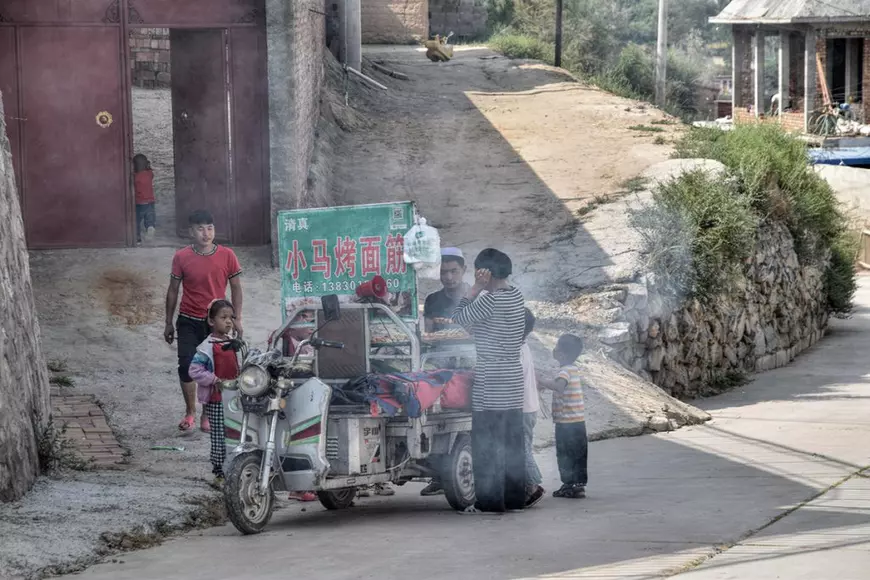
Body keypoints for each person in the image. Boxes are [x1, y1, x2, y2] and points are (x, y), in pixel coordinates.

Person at [452, 248, 526, 514]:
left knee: (487, 445)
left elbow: (458, 318)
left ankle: (490, 501)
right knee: (512, 444)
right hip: (513, 380)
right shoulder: (517, 296)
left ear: (485, 273)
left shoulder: (489, 300)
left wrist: (473, 290)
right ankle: (517, 498)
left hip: (491, 381)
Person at [164, 210, 243, 432]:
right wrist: (168, 322)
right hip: (188, 319)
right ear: (191, 232)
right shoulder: (181, 257)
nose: (205, 233)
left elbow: (236, 288)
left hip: (216, 321)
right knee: (187, 366)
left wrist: (236, 318)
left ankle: (206, 415)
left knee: (212, 367)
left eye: (209, 228)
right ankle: (190, 412)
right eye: (200, 228)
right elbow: (173, 290)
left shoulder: (227, 255)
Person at [188, 299, 238, 485]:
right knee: (219, 435)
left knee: (234, 433)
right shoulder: (207, 346)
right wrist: (215, 380)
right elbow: (194, 370)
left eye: (231, 318)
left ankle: (233, 469)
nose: (228, 321)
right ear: (211, 321)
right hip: (216, 399)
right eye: (223, 317)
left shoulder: (233, 342)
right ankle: (219, 472)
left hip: (234, 398)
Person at [538, 334, 587, 499]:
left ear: (562, 354)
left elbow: (559, 387)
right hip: (579, 422)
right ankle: (578, 485)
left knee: (565, 454)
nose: (554, 349)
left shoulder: (565, 371)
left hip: (566, 423)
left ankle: (567, 484)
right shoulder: (574, 369)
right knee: (578, 454)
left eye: (557, 346)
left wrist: (542, 381)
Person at [521, 308, 545, 507]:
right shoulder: (523, 345)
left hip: (523, 408)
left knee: (522, 449)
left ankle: (533, 486)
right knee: (524, 446)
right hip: (529, 406)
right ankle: (530, 482)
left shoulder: (517, 350)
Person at [423, 247, 469, 333]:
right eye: (443, 272)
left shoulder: (477, 296)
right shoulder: (432, 300)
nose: (449, 277)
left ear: (464, 270)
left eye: (454, 271)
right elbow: (428, 334)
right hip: (440, 346)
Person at [133, 154, 156, 244]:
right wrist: (148, 166)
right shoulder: (149, 174)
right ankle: (150, 227)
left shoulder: (135, 177)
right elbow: (151, 172)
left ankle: (137, 238)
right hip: (150, 201)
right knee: (150, 217)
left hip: (139, 203)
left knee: (136, 221)